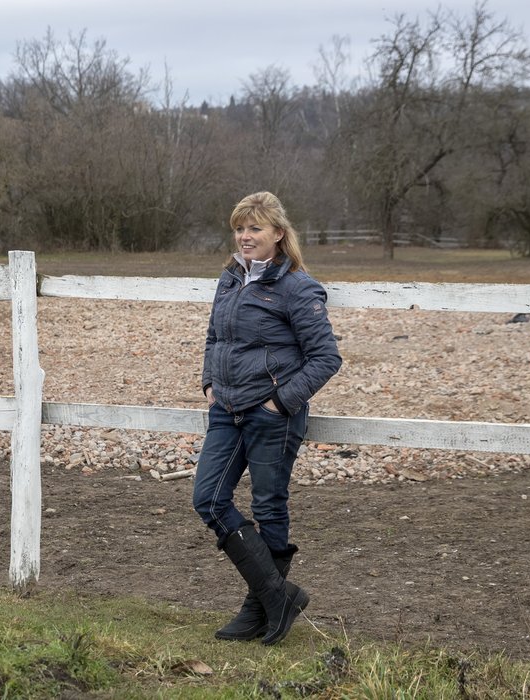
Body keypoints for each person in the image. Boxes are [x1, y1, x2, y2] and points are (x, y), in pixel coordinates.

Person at [193, 191, 342, 645]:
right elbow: (215, 335)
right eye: (240, 228)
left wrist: (279, 403)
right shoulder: (231, 278)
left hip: (271, 413)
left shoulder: (298, 287)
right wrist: (209, 382)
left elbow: (325, 357)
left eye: (255, 228)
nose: (245, 236)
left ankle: (260, 607)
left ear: (279, 234)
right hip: (227, 410)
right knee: (209, 499)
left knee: (268, 507)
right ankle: (278, 597)